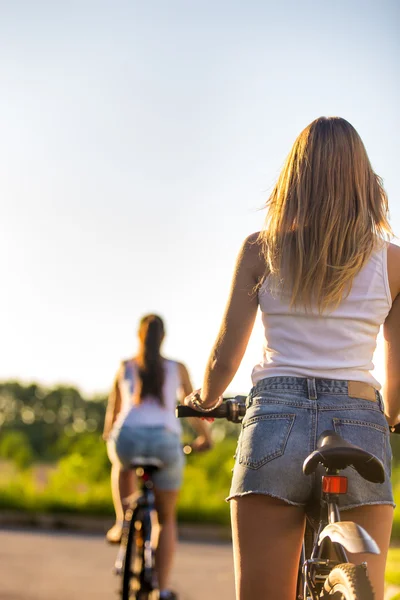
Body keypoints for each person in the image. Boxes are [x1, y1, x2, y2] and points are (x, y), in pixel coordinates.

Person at [184, 117, 400, 600]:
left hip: (275, 422)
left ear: (293, 180)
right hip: (360, 422)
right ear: (364, 181)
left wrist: (205, 398)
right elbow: (398, 361)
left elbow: (226, 353)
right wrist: (392, 416)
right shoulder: (393, 262)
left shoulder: (262, 250)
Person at [103, 314, 212, 600]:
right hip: (165, 443)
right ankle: (161, 590)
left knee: (122, 463)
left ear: (139, 336)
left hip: (127, 436)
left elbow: (113, 412)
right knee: (165, 519)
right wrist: (206, 438)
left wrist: (109, 437)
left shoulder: (125, 366)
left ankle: (120, 523)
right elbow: (192, 409)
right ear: (163, 337)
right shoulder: (176, 368)